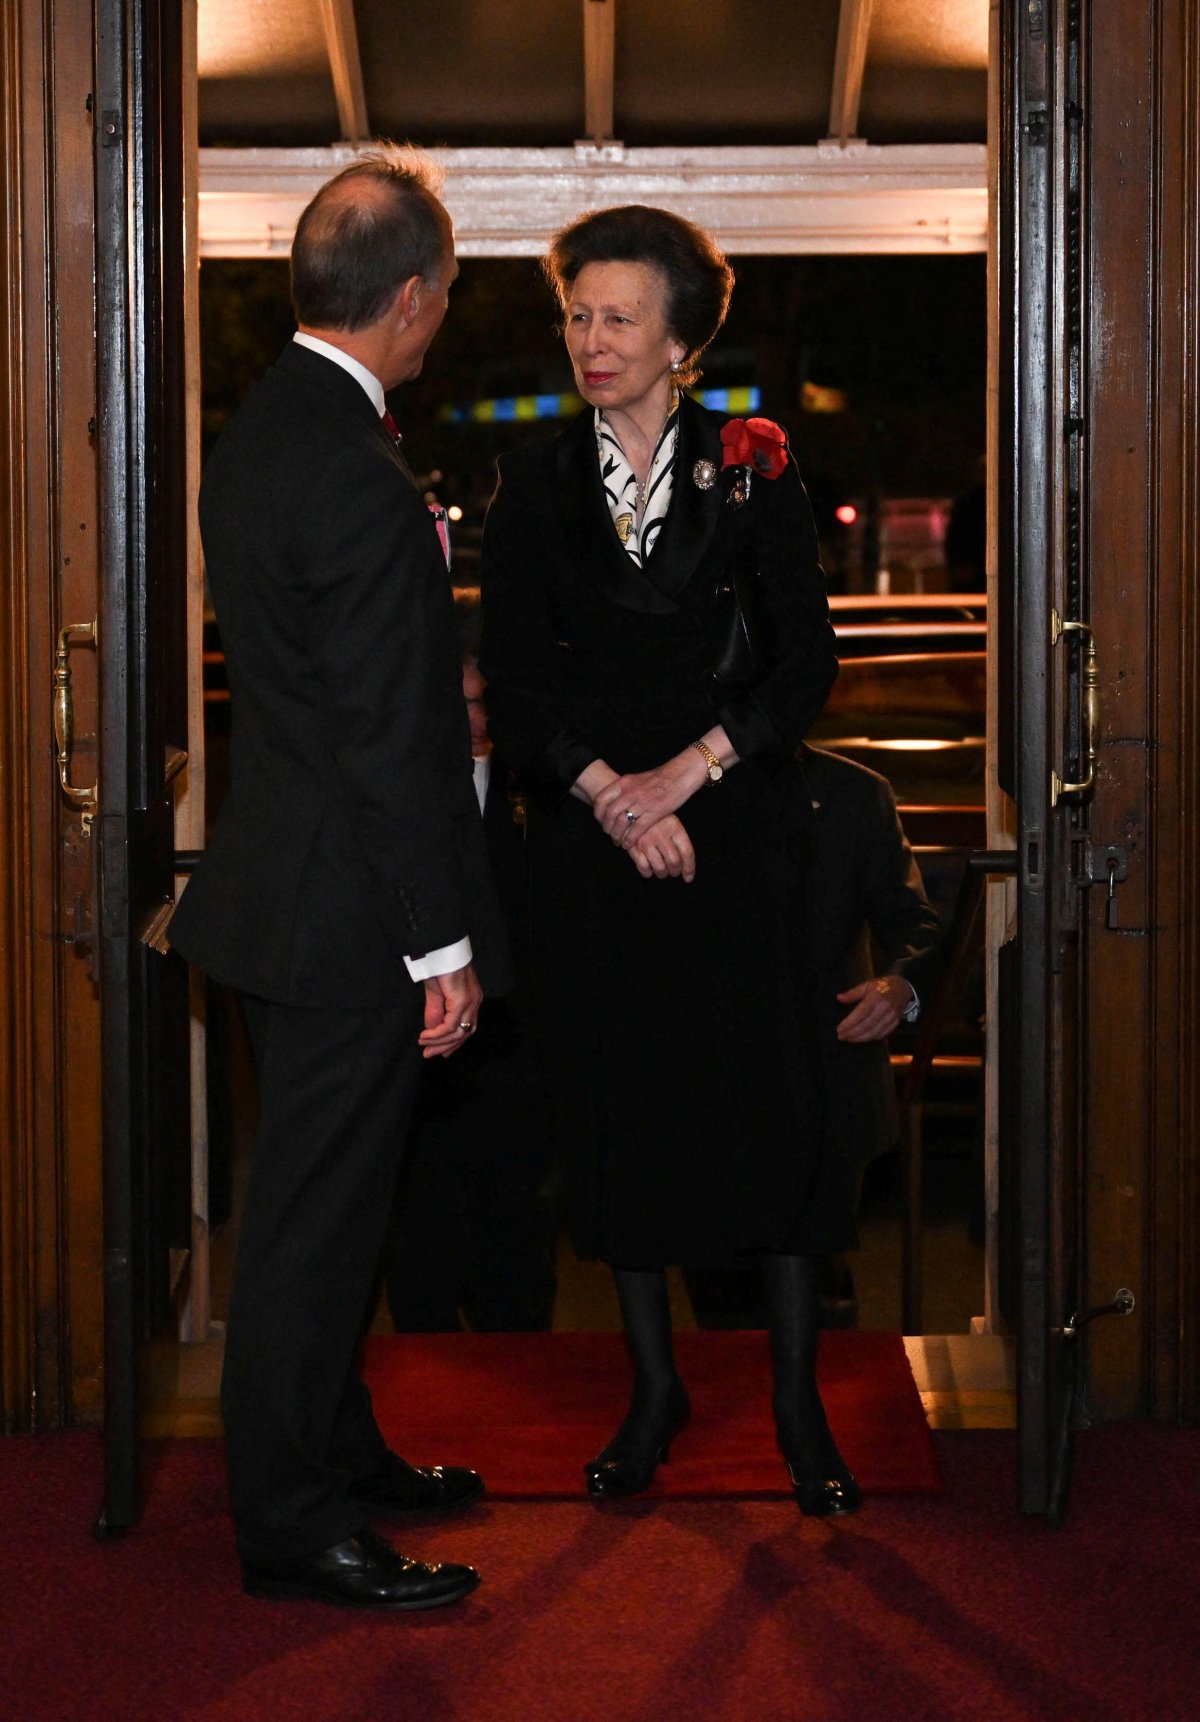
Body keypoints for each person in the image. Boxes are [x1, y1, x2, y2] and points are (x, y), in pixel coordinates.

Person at [169, 146, 509, 1610]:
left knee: (333, 1208)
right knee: (313, 1228)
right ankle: (293, 1521)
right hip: (345, 918)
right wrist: (441, 947)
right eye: (443, 302)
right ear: (416, 297)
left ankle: (335, 1441)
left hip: (278, 897)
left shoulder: (259, 433)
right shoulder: (361, 478)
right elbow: (388, 743)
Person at [479, 204, 851, 1515]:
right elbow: (514, 687)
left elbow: (808, 663)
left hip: (738, 831)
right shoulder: (533, 478)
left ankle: (800, 1402)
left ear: (683, 342)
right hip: (595, 845)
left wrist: (687, 773)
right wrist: (615, 801)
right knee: (619, 1119)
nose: (591, 338)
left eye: (620, 316)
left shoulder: (755, 465)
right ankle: (655, 1391)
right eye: (577, 312)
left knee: (777, 1113)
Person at [684, 743, 946, 1329]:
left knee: (813, 1282)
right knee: (720, 1296)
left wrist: (898, 988)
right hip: (705, 1072)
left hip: (826, 1068)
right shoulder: (666, 788)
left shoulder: (856, 791)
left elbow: (916, 925)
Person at [385, 642, 557, 1333]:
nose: (467, 719)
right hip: (426, 1040)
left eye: (476, 703)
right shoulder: (408, 794)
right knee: (420, 1217)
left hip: (516, 1040)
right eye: (451, 706)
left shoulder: (537, 793)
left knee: (515, 1220)